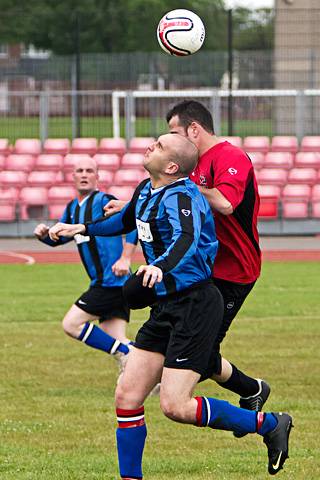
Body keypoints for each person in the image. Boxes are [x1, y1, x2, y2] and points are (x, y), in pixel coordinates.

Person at [48, 134, 292, 479]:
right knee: (128, 394)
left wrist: (159, 266)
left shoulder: (183, 195)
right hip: (166, 305)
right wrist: (81, 227)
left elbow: (187, 238)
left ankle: (270, 424)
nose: (151, 147)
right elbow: (125, 220)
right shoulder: (147, 189)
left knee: (175, 406)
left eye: (159, 146)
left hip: (196, 305)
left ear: (172, 166)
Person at [166, 100, 268, 418]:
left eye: (174, 131)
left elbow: (224, 203)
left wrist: (184, 186)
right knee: (181, 335)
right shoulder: (192, 162)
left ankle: (252, 392)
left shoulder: (230, 156)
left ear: (193, 129)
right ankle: (250, 390)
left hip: (235, 270)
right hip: (204, 269)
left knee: (203, 349)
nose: (171, 138)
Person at [34, 156, 137, 365]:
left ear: (97, 176)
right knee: (117, 339)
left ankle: (128, 355)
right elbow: (59, 237)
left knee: (71, 324)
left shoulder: (104, 200)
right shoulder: (73, 208)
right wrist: (44, 235)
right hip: (106, 283)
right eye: (80, 171)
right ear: (72, 176)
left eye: (89, 171)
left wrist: (126, 258)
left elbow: (134, 223)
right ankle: (150, 372)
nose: (84, 175)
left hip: (111, 282)